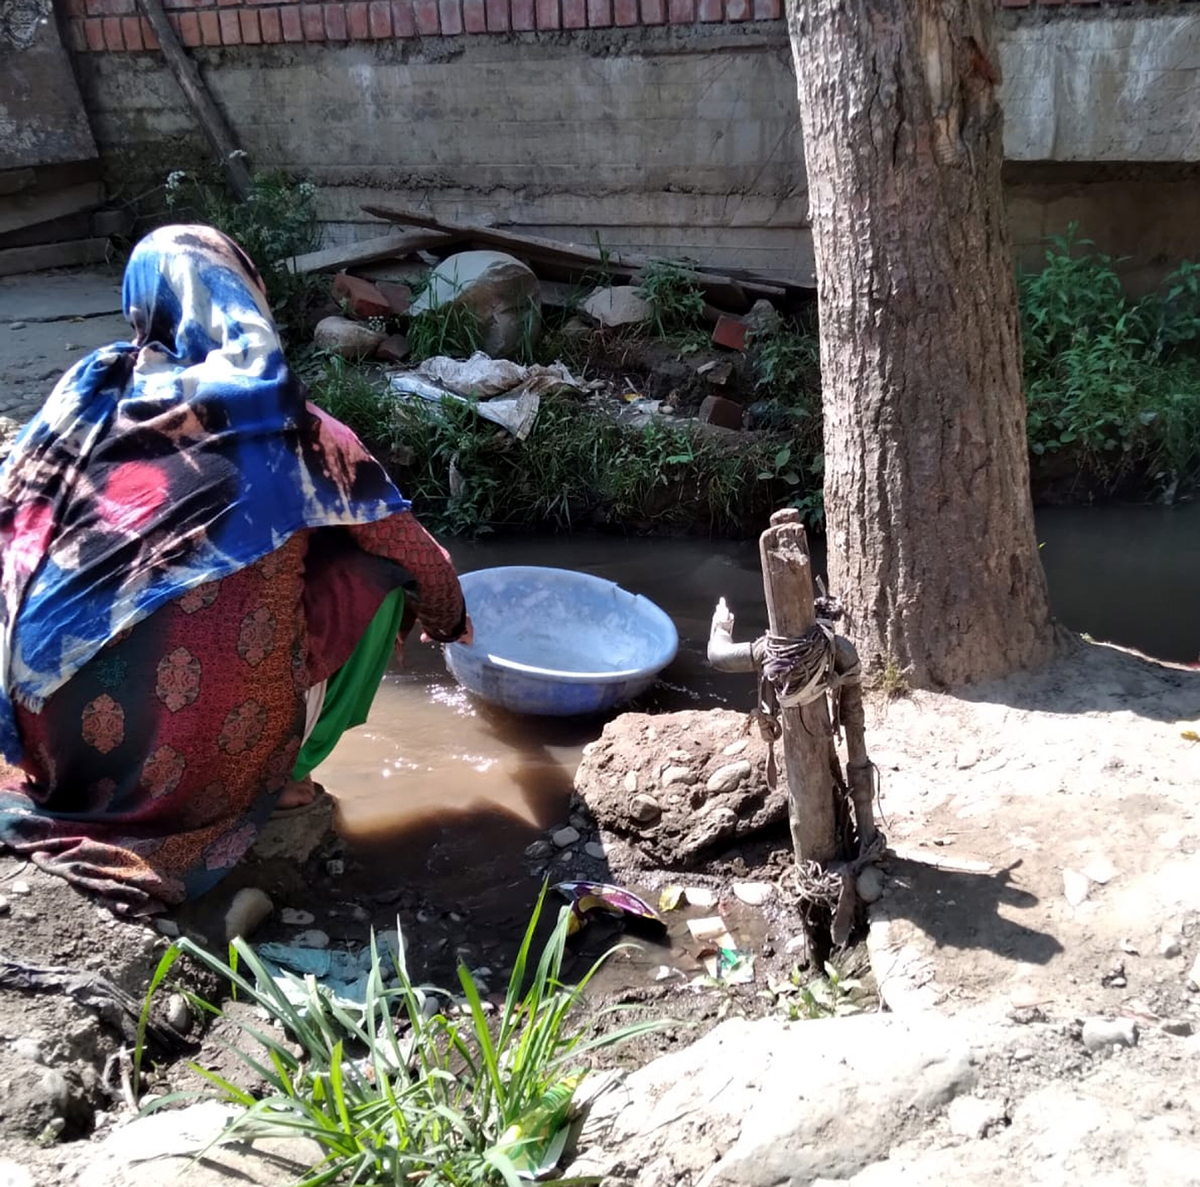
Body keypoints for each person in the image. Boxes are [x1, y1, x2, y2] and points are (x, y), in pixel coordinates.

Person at [0, 224, 472, 914]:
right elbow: (416, 553)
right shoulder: (285, 423)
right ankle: (277, 775)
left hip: (46, 741)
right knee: (376, 566)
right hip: (196, 761)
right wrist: (450, 619)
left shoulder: (80, 404)